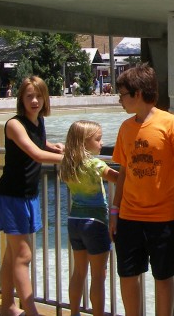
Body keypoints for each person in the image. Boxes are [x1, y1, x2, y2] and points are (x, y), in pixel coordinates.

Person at [109, 63, 174, 316]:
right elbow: (124, 172)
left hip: (165, 218)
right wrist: (114, 212)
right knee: (127, 275)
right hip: (128, 218)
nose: (120, 100)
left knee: (163, 277)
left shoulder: (171, 123)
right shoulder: (125, 128)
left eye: (122, 94)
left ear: (137, 94)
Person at [0, 76, 65, 316]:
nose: (34, 101)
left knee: (11, 254)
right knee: (23, 255)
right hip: (12, 197)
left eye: (38, 96)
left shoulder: (38, 122)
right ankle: (31, 310)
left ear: (45, 97)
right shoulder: (14, 124)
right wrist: (73, 159)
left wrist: (52, 145)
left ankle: (8, 307)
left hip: (29, 195)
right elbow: (35, 154)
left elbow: (39, 145)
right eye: (29, 96)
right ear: (20, 99)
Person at [59, 120, 119, 316]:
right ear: (85, 143)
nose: (101, 143)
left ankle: (74, 312)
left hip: (74, 221)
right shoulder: (95, 164)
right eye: (98, 139)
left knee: (79, 271)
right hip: (95, 224)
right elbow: (117, 178)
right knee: (98, 276)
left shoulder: (69, 165)